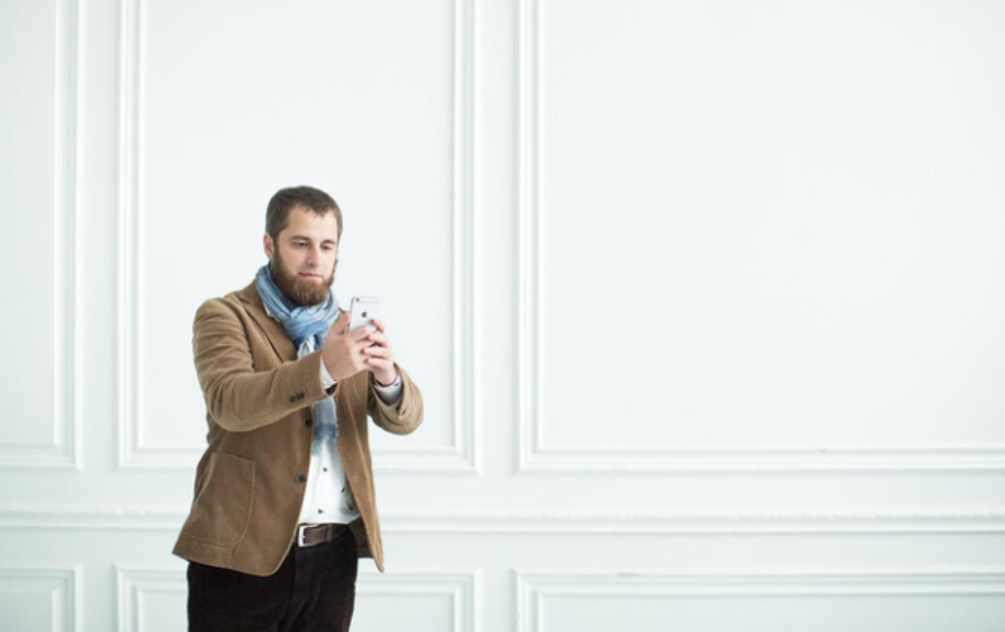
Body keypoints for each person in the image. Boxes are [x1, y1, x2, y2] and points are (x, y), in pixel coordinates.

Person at [172, 185, 424, 631]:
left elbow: (406, 419)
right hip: (241, 556)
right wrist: (325, 368)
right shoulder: (224, 315)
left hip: (333, 560)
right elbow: (230, 402)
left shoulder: (344, 328)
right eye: (301, 243)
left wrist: (386, 375)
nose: (314, 259)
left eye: (326, 246)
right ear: (269, 245)